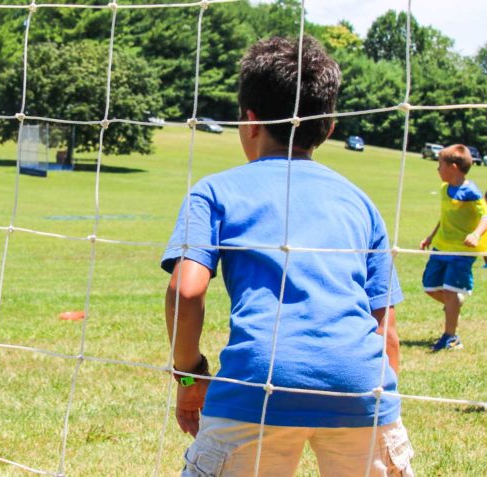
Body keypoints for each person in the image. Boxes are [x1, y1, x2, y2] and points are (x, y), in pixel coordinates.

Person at [161, 36, 413, 476]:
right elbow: (386, 330)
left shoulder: (214, 191)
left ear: (250, 121)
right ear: (329, 128)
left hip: (256, 385)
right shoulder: (360, 202)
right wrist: (377, 410)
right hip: (362, 387)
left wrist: (190, 376)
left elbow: (186, 291)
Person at [420, 144, 487, 352]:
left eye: (440, 164)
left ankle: (451, 337)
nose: (438, 169)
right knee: (429, 286)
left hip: (461, 252)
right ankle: (454, 305)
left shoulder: (471, 192)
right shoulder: (443, 189)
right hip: (440, 247)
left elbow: (485, 216)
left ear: (454, 167)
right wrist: (431, 235)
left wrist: (476, 234)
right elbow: (445, 216)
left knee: (450, 291)